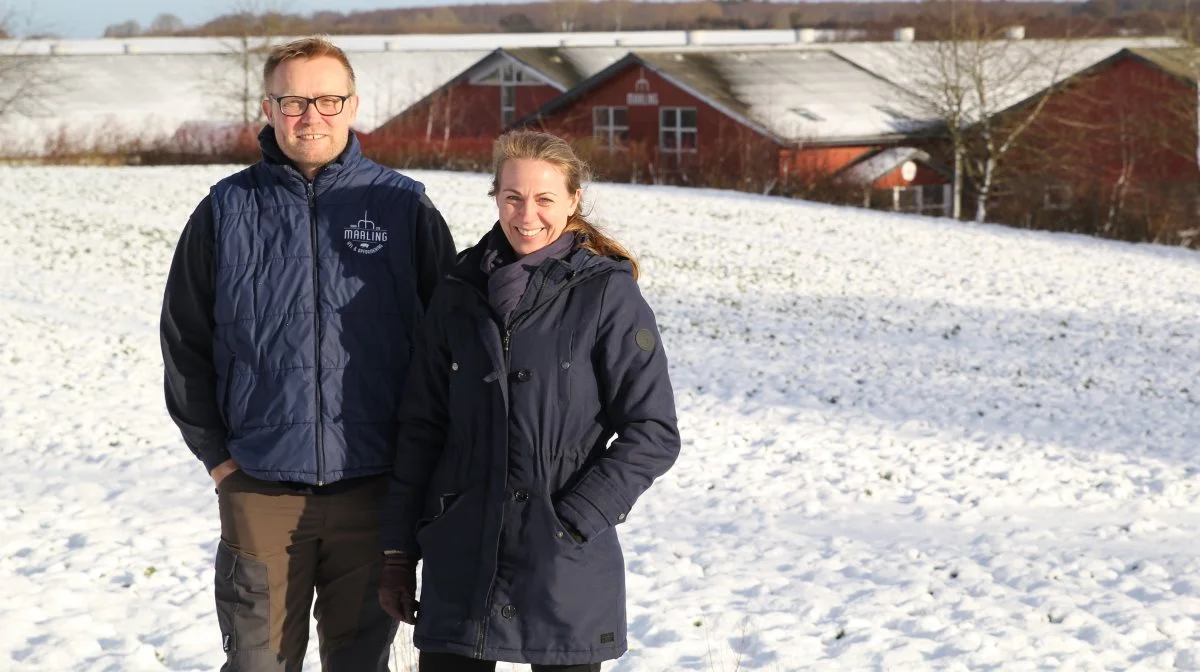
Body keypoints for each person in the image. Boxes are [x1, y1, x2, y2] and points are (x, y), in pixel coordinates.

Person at [160, 36, 456, 671]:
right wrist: (219, 461)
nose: (310, 115)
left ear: (353, 106)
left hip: (375, 490)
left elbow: (447, 347)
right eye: (293, 100)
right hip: (261, 489)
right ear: (267, 109)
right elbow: (184, 342)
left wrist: (421, 465)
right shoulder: (224, 211)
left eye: (327, 99)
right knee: (257, 665)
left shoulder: (404, 208)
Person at [377, 129, 681, 672]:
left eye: (544, 199)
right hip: (460, 555)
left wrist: (575, 518)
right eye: (513, 197)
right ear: (494, 195)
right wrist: (398, 552)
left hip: (563, 562)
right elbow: (421, 427)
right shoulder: (457, 289)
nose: (526, 215)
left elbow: (652, 431)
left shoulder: (606, 293)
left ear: (572, 201)